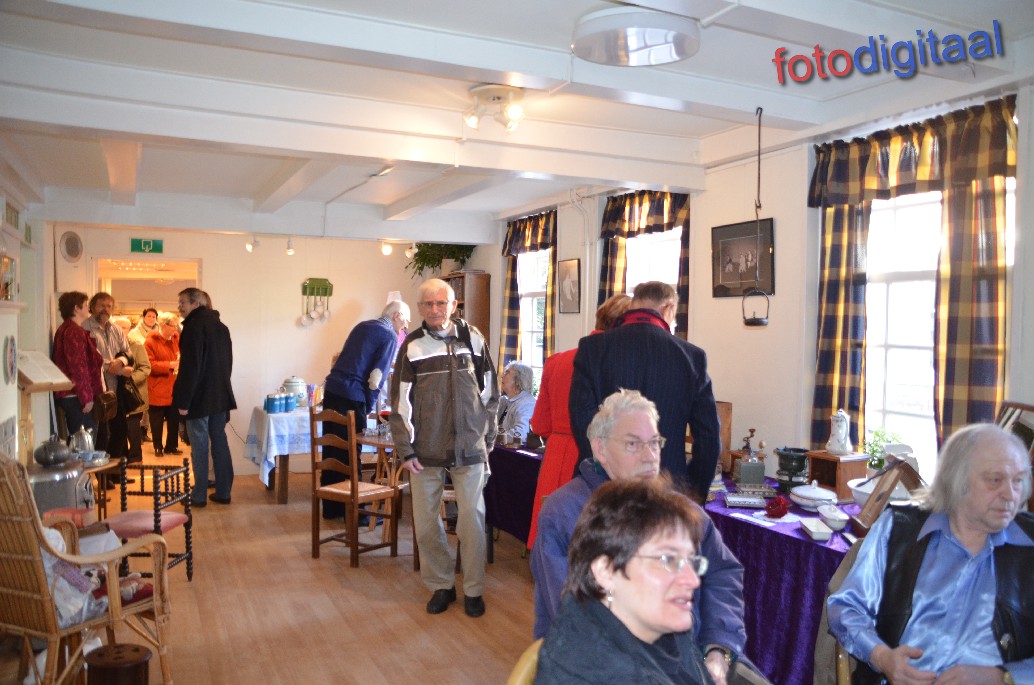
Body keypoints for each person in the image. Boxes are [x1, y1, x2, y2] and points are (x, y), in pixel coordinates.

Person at [532, 389, 748, 685]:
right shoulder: (565, 514)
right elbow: (577, 621)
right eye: (633, 444)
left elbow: (722, 572)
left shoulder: (680, 509)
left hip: (697, 658)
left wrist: (718, 649)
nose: (649, 456)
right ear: (600, 449)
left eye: (654, 443)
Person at [827, 423, 1034, 685]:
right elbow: (846, 607)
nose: (1010, 494)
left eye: (1018, 480)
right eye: (995, 480)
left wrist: (1002, 676)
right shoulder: (898, 529)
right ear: (958, 479)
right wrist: (882, 657)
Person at [534, 476, 715, 685]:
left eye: (691, 561)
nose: (692, 580)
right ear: (606, 571)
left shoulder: (656, 628)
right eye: (668, 560)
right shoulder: (596, 669)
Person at [389, 278, 498, 618]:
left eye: (441, 303)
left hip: (470, 446)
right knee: (425, 524)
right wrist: (406, 450)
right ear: (419, 308)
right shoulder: (412, 346)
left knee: (472, 519)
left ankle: (474, 589)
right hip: (425, 450)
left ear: (454, 305)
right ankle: (441, 585)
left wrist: (487, 438)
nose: (435, 309)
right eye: (428, 304)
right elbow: (400, 403)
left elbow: (490, 392)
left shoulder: (473, 339)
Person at [569, 281, 720, 502]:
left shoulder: (593, 349)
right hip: (668, 491)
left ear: (634, 304)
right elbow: (709, 439)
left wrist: (603, 473)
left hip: (604, 489)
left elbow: (583, 422)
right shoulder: (691, 357)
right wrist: (692, 492)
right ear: (668, 308)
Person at [527, 294, 631, 549]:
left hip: (557, 457)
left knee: (551, 543)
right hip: (599, 462)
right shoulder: (623, 364)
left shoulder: (558, 361)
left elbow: (539, 425)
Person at [321, 299, 410, 519]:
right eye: (405, 321)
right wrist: (368, 406)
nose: (405, 327)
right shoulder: (389, 336)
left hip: (332, 390)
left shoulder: (362, 326)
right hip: (352, 396)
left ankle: (332, 509)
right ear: (396, 316)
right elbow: (376, 378)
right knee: (352, 454)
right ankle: (357, 514)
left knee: (332, 451)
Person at [173, 287, 236, 507]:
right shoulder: (222, 327)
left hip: (199, 398)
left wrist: (183, 401)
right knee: (219, 442)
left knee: (199, 445)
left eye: (183, 302)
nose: (179, 307)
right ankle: (224, 491)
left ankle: (198, 495)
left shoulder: (193, 327)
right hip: (220, 395)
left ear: (196, 303)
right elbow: (227, 365)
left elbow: (190, 368)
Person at [81, 292, 134, 460]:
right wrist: (117, 369)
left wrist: (121, 361)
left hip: (116, 388)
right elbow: (88, 358)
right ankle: (102, 470)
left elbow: (128, 352)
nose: (105, 309)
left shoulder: (116, 329)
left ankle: (114, 469)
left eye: (108, 306)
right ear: (92, 307)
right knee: (102, 434)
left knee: (120, 430)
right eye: (101, 305)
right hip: (97, 388)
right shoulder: (85, 328)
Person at [52, 291, 104, 437]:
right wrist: (86, 397)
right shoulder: (73, 331)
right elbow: (78, 366)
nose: (88, 308)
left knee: (83, 440)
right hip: (75, 396)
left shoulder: (68, 329)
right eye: (86, 305)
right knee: (84, 442)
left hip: (73, 395)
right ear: (76, 308)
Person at [112, 316, 151, 463]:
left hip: (132, 394)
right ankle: (122, 458)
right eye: (118, 327)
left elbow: (145, 368)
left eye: (124, 327)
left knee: (133, 427)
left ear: (129, 329)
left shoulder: (136, 345)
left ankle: (135, 457)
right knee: (119, 428)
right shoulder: (111, 345)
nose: (121, 330)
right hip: (116, 393)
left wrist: (130, 379)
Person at [144, 312, 182, 457]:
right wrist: (169, 365)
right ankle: (158, 446)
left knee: (174, 419)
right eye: (173, 326)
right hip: (157, 387)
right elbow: (149, 365)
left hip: (174, 386)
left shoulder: (176, 339)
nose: (175, 329)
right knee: (157, 421)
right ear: (164, 325)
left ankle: (171, 446)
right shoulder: (150, 342)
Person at [497, 361, 536, 444]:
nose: (502, 376)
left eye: (507, 372)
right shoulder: (504, 401)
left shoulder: (527, 404)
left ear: (518, 381)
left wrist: (493, 437)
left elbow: (521, 434)